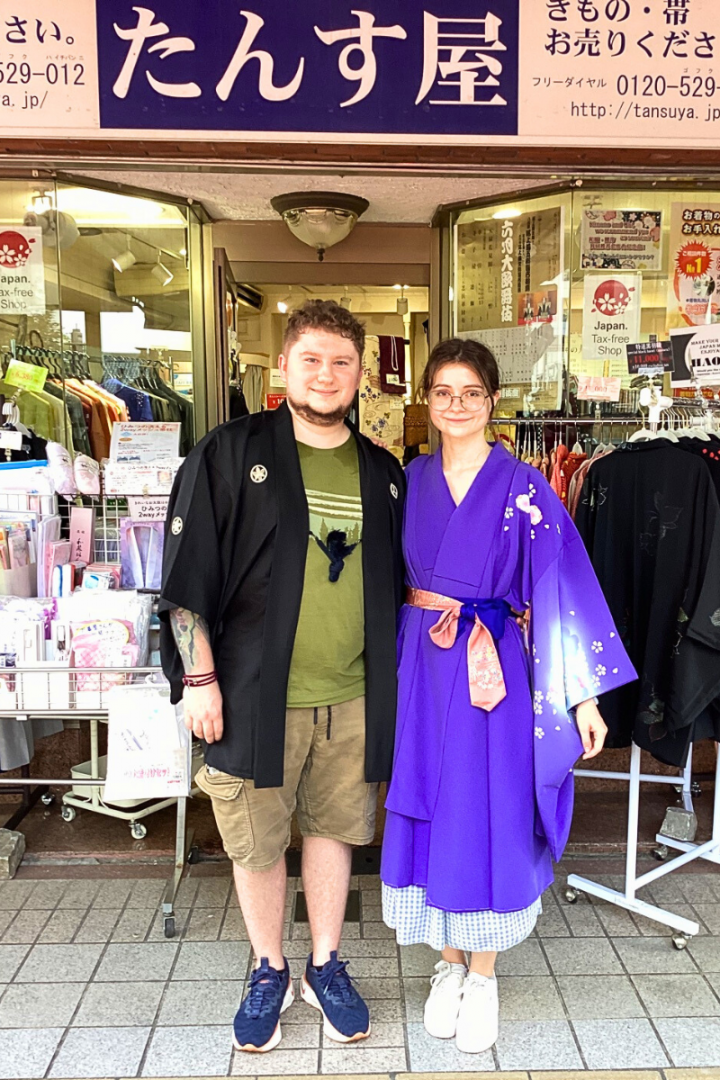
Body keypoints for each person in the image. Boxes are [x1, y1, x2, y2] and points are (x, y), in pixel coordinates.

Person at [160, 300, 405, 1053]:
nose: (326, 374)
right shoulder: (230, 451)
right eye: (311, 359)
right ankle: (269, 968)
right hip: (251, 693)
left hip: (354, 695)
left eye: (341, 361)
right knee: (257, 842)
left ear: (361, 374)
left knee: (335, 831)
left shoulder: (382, 470)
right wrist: (199, 680)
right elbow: (186, 574)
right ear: (282, 368)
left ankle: (326, 962)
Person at [380, 338, 637, 1055]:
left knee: (489, 805)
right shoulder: (410, 480)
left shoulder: (526, 484)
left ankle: (484, 973)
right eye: (443, 392)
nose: (456, 405)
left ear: (493, 401)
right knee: (427, 801)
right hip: (422, 672)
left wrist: (584, 700)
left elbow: (562, 590)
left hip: (494, 672)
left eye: (471, 392)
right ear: (426, 401)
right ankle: (447, 963)